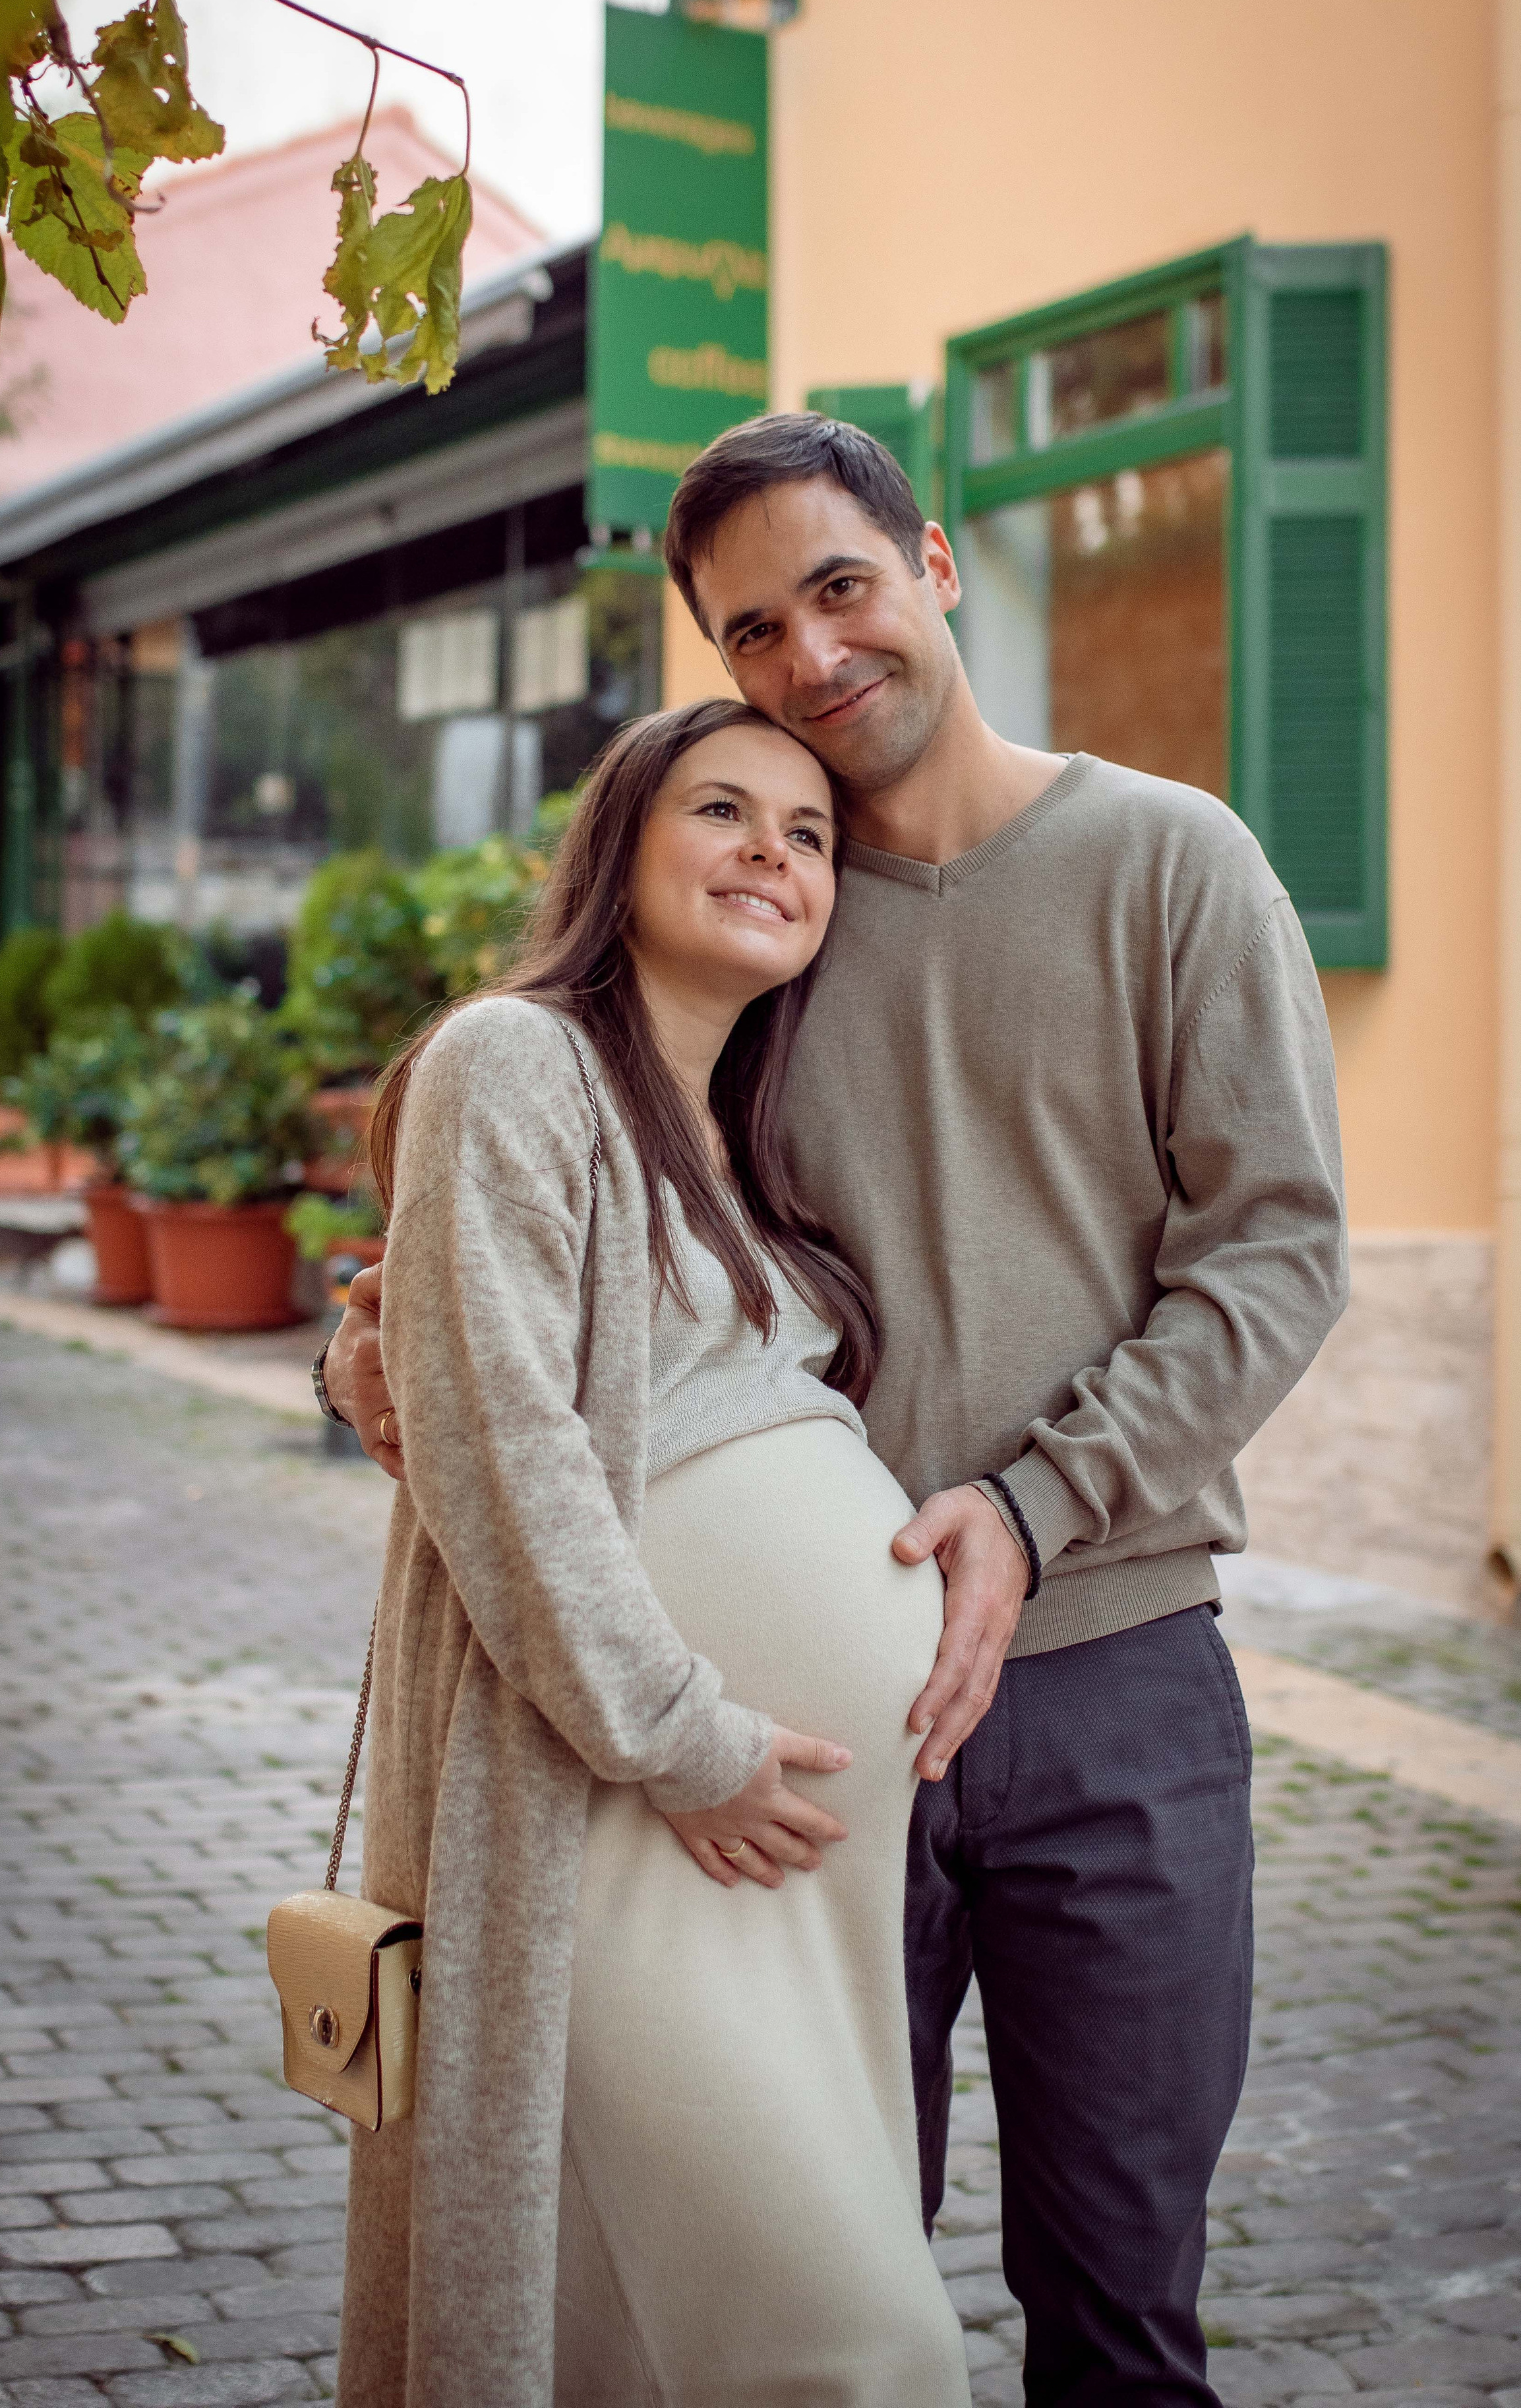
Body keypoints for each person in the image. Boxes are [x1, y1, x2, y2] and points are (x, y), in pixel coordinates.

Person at [326, 414, 1350, 2406]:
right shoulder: (753, 921)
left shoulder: (1171, 863)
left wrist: (1037, 1507)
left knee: (1120, 2306)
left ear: (940, 566)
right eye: (752, 629)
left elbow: (1278, 1258)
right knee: (805, 2292)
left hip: (1107, 1683)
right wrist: (369, 1355)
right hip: (798, 1750)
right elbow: (530, 1219)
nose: (808, 656)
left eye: (842, 590)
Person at [333, 698, 972, 2408]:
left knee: (637, 2332)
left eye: (812, 832)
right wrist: (683, 1739)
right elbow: (509, 1452)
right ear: (618, 850)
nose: (776, 851)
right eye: (723, 810)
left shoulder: (746, 1137)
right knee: (854, 2352)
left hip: (788, 1876)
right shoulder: (515, 1060)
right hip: (618, 1814)